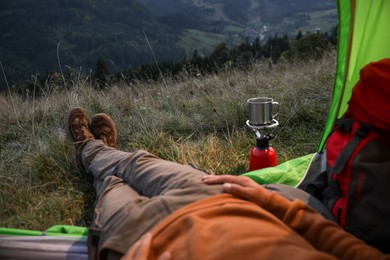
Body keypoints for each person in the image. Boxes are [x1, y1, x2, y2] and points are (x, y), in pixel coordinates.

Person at [66, 107, 388, 260]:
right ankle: (96, 152)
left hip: (143, 239)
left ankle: (91, 151)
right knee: (135, 162)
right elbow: (346, 248)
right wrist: (270, 202)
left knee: (111, 185)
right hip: (226, 200)